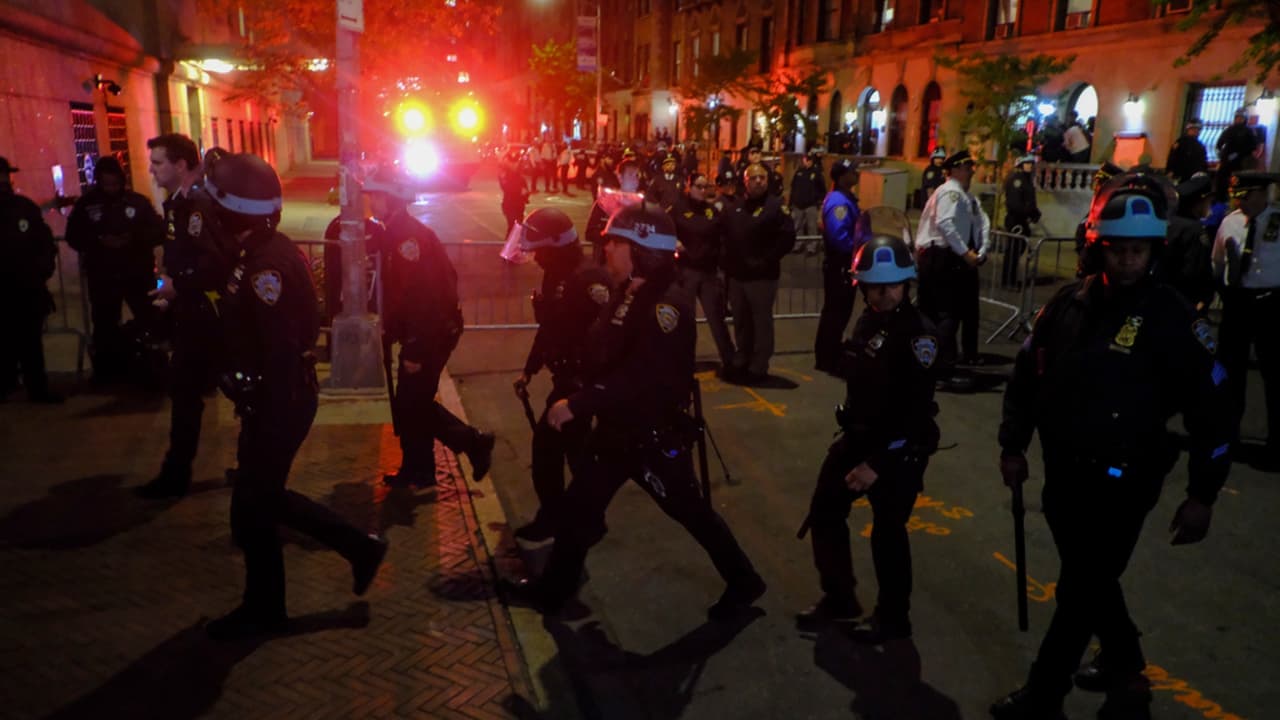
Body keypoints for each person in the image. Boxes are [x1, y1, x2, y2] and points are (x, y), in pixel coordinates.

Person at [991, 171, 1233, 720]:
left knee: (1079, 591)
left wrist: (1203, 494)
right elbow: (1027, 378)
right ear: (1099, 247)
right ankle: (1125, 662)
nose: (1127, 260)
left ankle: (1044, 695)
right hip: (1064, 475)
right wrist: (1013, 445)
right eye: (1117, 249)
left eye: (1138, 250)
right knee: (1091, 578)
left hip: (1127, 478)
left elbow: (1214, 414)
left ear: (1153, 250)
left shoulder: (1174, 320)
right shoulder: (1066, 306)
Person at [501, 202, 766, 620]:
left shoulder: (666, 305)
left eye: (616, 243)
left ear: (642, 250)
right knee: (579, 507)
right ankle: (554, 592)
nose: (606, 250)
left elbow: (643, 375)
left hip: (649, 436)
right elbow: (604, 351)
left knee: (691, 512)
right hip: (617, 433)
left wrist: (580, 403)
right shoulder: (631, 291)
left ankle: (744, 580)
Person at [199, 153, 389, 640]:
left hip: (281, 399)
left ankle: (270, 607)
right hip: (272, 398)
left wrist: (250, 384)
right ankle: (348, 553)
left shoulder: (269, 266)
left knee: (259, 502)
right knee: (257, 502)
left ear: (232, 212)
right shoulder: (253, 251)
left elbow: (282, 346)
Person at [797, 233, 938, 642]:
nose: (882, 293)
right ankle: (840, 598)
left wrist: (877, 464)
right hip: (858, 436)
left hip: (897, 450)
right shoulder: (869, 320)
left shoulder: (919, 337)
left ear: (907, 283)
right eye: (873, 286)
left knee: (888, 530)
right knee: (824, 510)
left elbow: (915, 414)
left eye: (890, 285)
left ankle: (894, 618)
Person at [363, 164, 495, 488]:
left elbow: (422, 297)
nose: (371, 202)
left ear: (392, 200)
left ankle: (471, 442)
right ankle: (420, 470)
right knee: (412, 404)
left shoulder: (407, 238)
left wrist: (416, 348)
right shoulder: (393, 233)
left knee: (413, 403)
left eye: (377, 196)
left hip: (431, 333)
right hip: (424, 331)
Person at [507, 208, 612, 541]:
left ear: (556, 246)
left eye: (539, 250)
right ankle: (583, 520)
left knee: (550, 451)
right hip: (566, 378)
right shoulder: (556, 274)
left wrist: (586, 389)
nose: (535, 258)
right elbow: (550, 328)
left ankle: (563, 520)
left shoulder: (587, 279)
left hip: (580, 383)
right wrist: (530, 369)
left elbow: (607, 336)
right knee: (577, 454)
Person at [137, 137, 231, 498]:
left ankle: (176, 477)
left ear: (180, 165)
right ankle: (175, 474)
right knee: (187, 394)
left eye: (158, 163)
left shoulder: (197, 205)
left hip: (208, 316)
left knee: (196, 393)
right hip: (191, 311)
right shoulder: (180, 203)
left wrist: (180, 286)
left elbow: (215, 263)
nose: (151, 170)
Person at [65, 156, 164, 383]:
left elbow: (157, 230)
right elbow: (74, 235)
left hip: (137, 273)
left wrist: (133, 239)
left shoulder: (137, 202)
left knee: (148, 317)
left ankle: (151, 366)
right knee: (104, 323)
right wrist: (99, 241)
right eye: (106, 184)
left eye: (115, 184)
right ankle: (108, 371)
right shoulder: (87, 205)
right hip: (103, 275)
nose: (111, 189)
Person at [1212, 171, 1280, 471]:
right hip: (1238, 302)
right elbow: (1216, 262)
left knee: (1274, 377)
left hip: (1271, 303)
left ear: (1262, 194)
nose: (1239, 200)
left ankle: (1276, 444)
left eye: (1245, 194)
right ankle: (1228, 436)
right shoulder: (1230, 221)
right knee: (1230, 373)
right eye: (1237, 195)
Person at [914, 150, 991, 381]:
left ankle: (930, 363)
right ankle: (941, 366)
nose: (971, 172)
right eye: (968, 168)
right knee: (947, 313)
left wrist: (980, 248)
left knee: (936, 314)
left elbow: (980, 223)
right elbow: (946, 224)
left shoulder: (962, 195)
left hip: (942, 257)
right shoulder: (950, 193)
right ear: (956, 170)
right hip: (940, 257)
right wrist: (965, 253)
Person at [721, 163, 797, 384]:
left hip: (762, 278)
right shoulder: (736, 206)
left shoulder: (775, 207)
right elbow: (725, 235)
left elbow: (786, 238)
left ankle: (759, 364)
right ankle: (742, 355)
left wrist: (765, 261)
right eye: (753, 178)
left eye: (762, 178)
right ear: (745, 181)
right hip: (738, 277)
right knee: (741, 321)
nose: (758, 181)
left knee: (761, 323)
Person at [0, 155, 61, 404]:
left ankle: (37, 388)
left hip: (27, 288)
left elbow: (44, 243)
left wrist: (40, 272)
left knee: (30, 343)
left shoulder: (24, 208)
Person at [671, 172, 736, 373]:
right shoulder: (678, 209)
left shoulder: (713, 211)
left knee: (717, 320)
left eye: (705, 186)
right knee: (686, 321)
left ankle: (731, 361)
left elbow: (724, 234)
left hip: (708, 273)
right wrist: (674, 242)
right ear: (689, 186)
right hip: (687, 272)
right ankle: (684, 362)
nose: (701, 190)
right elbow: (665, 229)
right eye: (698, 186)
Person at [814, 158, 865, 373]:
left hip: (844, 264)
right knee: (836, 312)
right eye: (853, 171)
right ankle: (828, 357)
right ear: (843, 176)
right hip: (841, 264)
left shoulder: (844, 198)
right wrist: (857, 252)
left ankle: (831, 353)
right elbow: (839, 237)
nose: (857, 174)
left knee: (839, 312)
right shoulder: (839, 203)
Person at [1158, 172, 1215, 312]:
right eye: (1209, 201)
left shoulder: (1167, 223)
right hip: (1183, 302)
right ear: (1200, 201)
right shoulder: (1194, 230)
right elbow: (1195, 271)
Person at [586, 159, 643, 264]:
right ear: (620, 177)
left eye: (637, 175)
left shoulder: (643, 204)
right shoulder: (605, 202)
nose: (635, 179)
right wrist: (615, 240)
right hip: (607, 261)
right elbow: (590, 233)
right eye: (631, 175)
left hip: (633, 264)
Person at [1001, 154, 1041, 287]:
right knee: (1013, 251)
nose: (1030, 166)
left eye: (1031, 163)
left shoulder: (1027, 179)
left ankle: (1011, 279)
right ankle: (1008, 281)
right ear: (1020, 165)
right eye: (1027, 163)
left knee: (1018, 250)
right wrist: (1029, 212)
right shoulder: (1016, 180)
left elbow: (1029, 201)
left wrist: (1035, 212)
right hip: (1015, 220)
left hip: (1022, 220)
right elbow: (1015, 204)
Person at [1215, 110, 1259, 200]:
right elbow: (1219, 143)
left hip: (1241, 163)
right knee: (1221, 182)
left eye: (1241, 118)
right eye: (1237, 118)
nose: (1239, 120)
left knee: (1238, 183)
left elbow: (1253, 146)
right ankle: (1220, 200)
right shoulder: (1229, 130)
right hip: (1226, 161)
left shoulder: (1248, 131)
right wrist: (1221, 154)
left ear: (1244, 119)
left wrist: (1239, 154)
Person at [790, 149, 827, 254]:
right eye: (806, 159)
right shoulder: (799, 172)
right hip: (798, 204)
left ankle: (812, 247)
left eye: (810, 160)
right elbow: (793, 187)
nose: (808, 161)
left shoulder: (816, 173)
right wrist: (791, 202)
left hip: (811, 204)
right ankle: (798, 245)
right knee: (798, 226)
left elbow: (822, 189)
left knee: (812, 227)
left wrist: (819, 201)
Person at [1165, 119, 1209, 184]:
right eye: (1193, 129)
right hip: (1180, 175)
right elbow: (1173, 157)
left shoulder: (1200, 146)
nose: (1196, 131)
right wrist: (1170, 171)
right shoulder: (1180, 142)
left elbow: (1203, 162)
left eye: (1198, 129)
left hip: (1194, 177)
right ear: (1188, 129)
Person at [499, 151, 529, 235]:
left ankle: (516, 246)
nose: (514, 165)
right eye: (512, 162)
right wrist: (520, 191)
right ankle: (509, 247)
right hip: (509, 204)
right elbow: (507, 188)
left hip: (519, 204)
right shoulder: (504, 174)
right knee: (512, 227)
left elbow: (524, 186)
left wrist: (526, 194)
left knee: (519, 227)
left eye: (516, 162)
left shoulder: (519, 174)